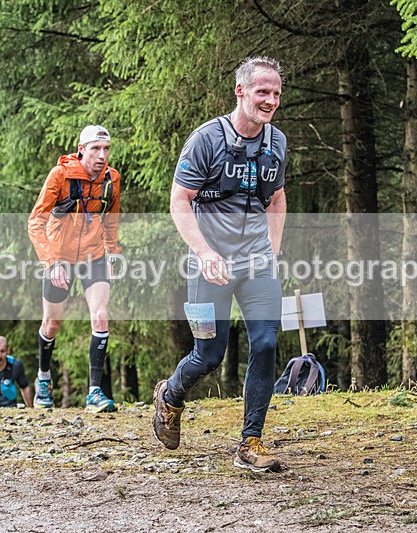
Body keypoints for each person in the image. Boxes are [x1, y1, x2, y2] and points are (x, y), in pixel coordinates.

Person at [152, 56, 288, 472]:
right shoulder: (206, 140)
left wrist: (274, 249)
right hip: (209, 266)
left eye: (277, 94)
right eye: (262, 92)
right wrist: (204, 253)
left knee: (265, 344)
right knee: (209, 355)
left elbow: (277, 199)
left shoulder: (277, 142)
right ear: (240, 91)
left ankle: (251, 441)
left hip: (257, 263)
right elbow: (180, 201)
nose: (270, 101)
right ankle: (171, 395)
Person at [27, 125, 121, 412]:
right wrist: (51, 261)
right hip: (59, 257)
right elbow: (35, 221)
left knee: (101, 317)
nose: (101, 155)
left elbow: (111, 219)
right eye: (95, 149)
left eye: (106, 149)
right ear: (81, 150)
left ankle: (94, 393)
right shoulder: (61, 176)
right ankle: (43, 377)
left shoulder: (112, 179)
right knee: (52, 324)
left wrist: (114, 251)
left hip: (94, 257)